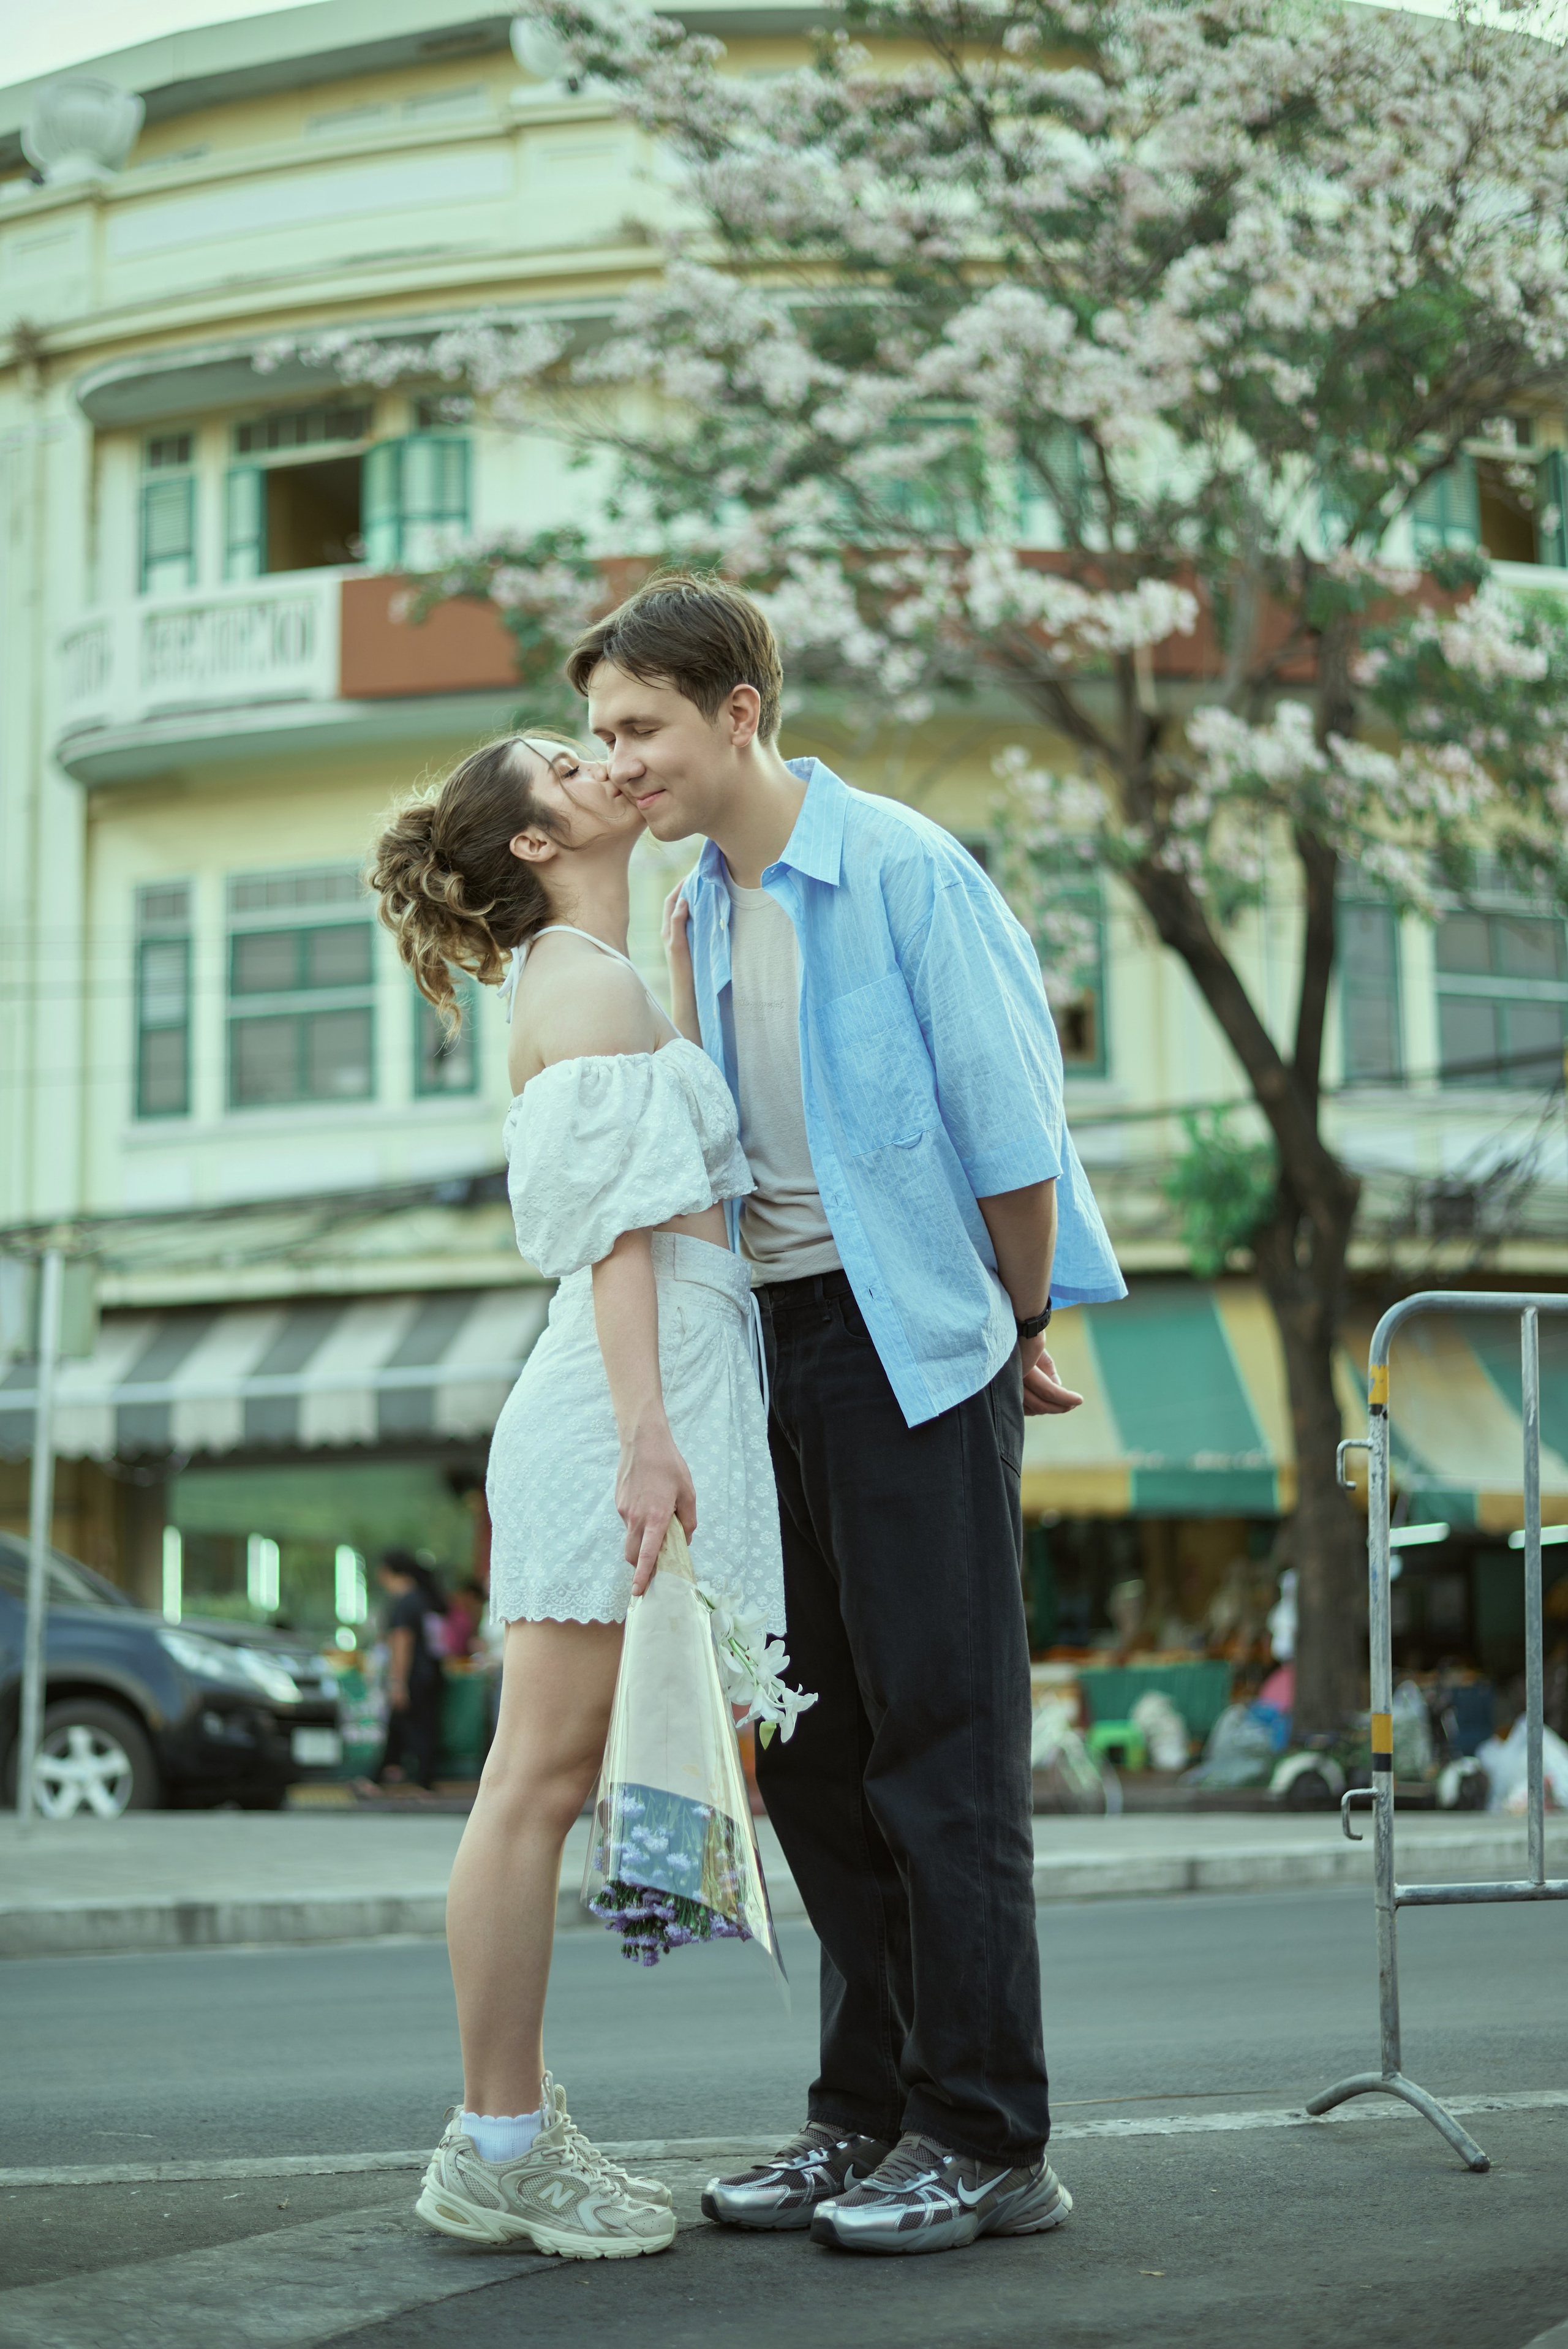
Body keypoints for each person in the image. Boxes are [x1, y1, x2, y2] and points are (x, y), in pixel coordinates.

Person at [569, 573, 1126, 2258]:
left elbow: (1016, 1147)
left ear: (741, 709)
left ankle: (987, 2133)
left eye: (641, 727)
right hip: (768, 1352)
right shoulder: (691, 904)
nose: (619, 761)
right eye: (600, 733)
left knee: (942, 1750)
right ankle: (867, 2109)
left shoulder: (902, 873)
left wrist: (1009, 1326)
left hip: (911, 1348)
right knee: (811, 1754)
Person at [368, 726, 788, 2261]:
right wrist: (645, 1438)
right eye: (566, 756)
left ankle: (507, 2120)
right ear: (534, 838)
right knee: (536, 1781)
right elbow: (620, 1231)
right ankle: (496, 2140)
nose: (602, 756)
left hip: (648, 1382)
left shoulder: (600, 963)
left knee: (547, 1779)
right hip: (626, 1391)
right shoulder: (584, 977)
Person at [371, 1549, 443, 1792]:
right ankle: (379, 1777)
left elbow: (402, 1643)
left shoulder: (404, 1602)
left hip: (413, 1676)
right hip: (428, 1673)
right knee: (405, 1727)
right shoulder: (422, 1599)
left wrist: (397, 1682)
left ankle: (423, 1780)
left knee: (416, 1728)